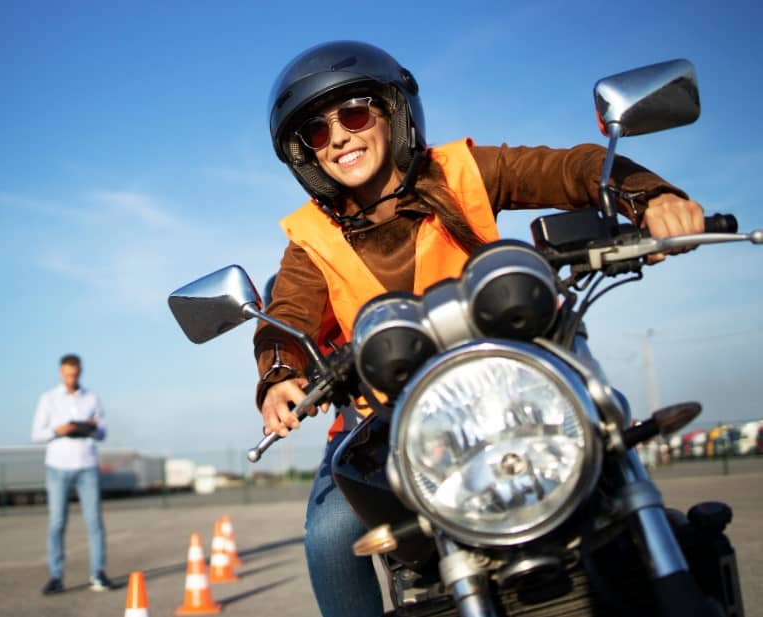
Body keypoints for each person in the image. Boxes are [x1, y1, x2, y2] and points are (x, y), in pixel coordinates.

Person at [254, 41, 705, 616]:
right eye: (317, 131)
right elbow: (286, 315)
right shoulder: (308, 239)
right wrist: (277, 374)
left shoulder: (462, 172)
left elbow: (572, 167)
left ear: (393, 112)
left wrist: (651, 197)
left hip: (512, 391)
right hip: (385, 428)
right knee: (330, 534)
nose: (339, 136)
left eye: (355, 112)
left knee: (607, 430)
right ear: (305, 154)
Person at [31, 353, 111, 594]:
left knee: (94, 521)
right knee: (57, 522)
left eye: (75, 374)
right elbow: (36, 434)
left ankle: (98, 573)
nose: (71, 377)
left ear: (80, 372)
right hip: (58, 466)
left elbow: (103, 433)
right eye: (67, 374)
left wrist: (91, 427)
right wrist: (59, 429)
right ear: (60, 372)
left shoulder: (92, 398)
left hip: (87, 465)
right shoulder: (48, 399)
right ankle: (56, 577)